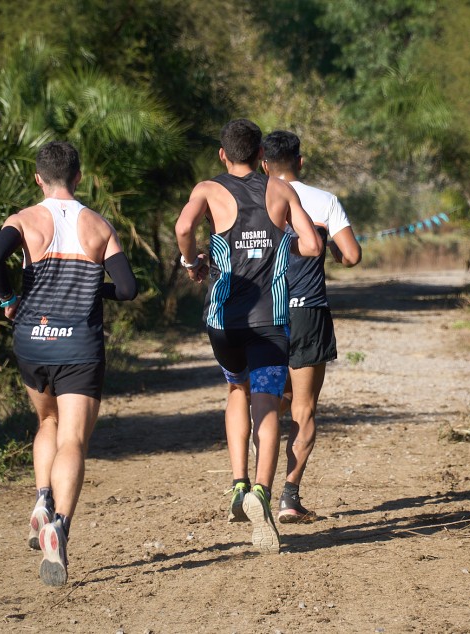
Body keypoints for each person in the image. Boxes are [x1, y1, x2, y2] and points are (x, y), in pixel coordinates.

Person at [0, 141, 138, 586]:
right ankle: (59, 526)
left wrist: (9, 298)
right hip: (79, 347)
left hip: (33, 342)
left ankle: (41, 500)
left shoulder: (24, 219)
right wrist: (97, 292)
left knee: (47, 422)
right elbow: (127, 289)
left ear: (38, 178)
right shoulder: (99, 225)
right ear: (79, 176)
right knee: (73, 437)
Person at [175, 119, 322, 554]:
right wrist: (282, 245)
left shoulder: (207, 190)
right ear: (261, 154)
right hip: (270, 318)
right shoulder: (280, 190)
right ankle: (261, 491)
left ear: (223, 154)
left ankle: (238, 482)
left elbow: (184, 230)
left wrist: (192, 262)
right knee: (268, 402)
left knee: (236, 389)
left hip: (223, 318)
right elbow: (312, 244)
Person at [261, 130, 362, 523]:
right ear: (300, 162)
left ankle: (257, 488)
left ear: (264, 164)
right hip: (308, 312)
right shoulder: (324, 200)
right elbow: (351, 256)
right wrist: (333, 249)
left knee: (267, 403)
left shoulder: (253, 197)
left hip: (262, 314)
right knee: (303, 407)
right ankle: (289, 497)